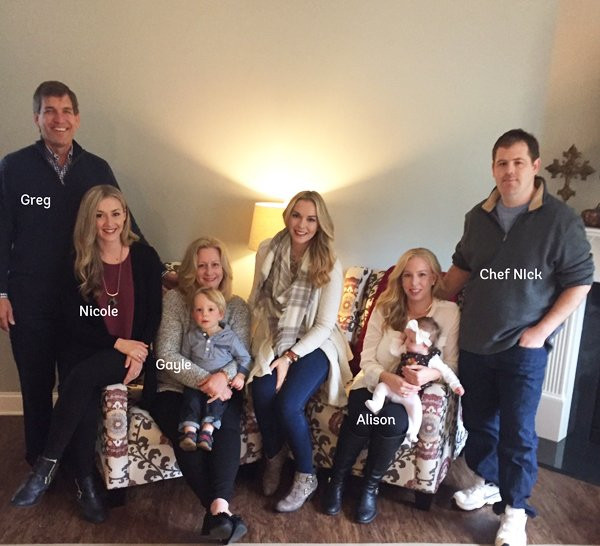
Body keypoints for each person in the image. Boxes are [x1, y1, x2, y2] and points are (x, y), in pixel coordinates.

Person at [0, 81, 169, 466]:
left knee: (76, 382)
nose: (58, 119)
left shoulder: (96, 168)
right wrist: (1, 293)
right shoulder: (13, 167)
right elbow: (2, 231)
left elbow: (125, 222)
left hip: (82, 298)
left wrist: (158, 273)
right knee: (36, 383)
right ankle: (39, 461)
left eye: (66, 111)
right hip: (30, 298)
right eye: (49, 111)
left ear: (77, 118)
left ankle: (75, 466)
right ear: (37, 118)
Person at [444, 129, 594, 546]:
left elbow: (580, 282)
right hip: (475, 342)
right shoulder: (477, 217)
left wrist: (540, 332)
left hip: (524, 349)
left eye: (518, 162)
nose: (509, 171)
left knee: (518, 433)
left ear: (535, 165)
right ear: (493, 168)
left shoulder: (560, 220)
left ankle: (515, 511)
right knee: (478, 424)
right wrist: (418, 290)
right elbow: (460, 269)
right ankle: (490, 482)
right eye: (502, 163)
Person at [10, 185, 163, 523]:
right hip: (88, 348)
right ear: (88, 219)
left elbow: (153, 313)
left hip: (131, 354)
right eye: (99, 215)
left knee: (79, 379)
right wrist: (117, 343)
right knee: (83, 384)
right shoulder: (77, 261)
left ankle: (46, 468)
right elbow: (72, 323)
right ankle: (84, 483)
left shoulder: (145, 258)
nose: (109, 223)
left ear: (125, 216)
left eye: (115, 214)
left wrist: (139, 351)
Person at [323, 248, 460, 523]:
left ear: (434, 278)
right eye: (407, 275)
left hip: (409, 392)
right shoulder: (386, 307)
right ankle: (336, 481)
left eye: (422, 275)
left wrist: (428, 375)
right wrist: (387, 378)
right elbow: (367, 359)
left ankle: (369, 488)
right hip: (374, 382)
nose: (414, 283)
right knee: (364, 416)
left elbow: (452, 365)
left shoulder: (448, 312)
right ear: (400, 278)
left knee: (392, 422)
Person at [248, 190, 352, 513]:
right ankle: (274, 456)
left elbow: (324, 325)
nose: (302, 225)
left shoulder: (329, 262)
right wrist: (258, 350)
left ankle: (307, 476)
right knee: (261, 390)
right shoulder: (267, 250)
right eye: (296, 215)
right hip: (276, 336)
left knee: (288, 403)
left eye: (311, 219)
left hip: (316, 343)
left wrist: (289, 357)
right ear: (287, 216)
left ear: (320, 224)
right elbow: (256, 300)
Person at [152, 237, 249, 544]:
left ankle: (218, 512)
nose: (209, 272)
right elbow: (166, 355)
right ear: (190, 269)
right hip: (174, 386)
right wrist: (208, 380)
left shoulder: (237, 307)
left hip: (222, 389)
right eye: (201, 265)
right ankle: (221, 513)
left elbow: (243, 356)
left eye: (215, 265)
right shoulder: (175, 301)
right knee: (187, 434)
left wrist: (223, 379)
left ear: (224, 269)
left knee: (227, 427)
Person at [365, 316, 464, 443]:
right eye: (407, 339)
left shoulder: (432, 359)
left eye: (411, 340)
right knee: (381, 387)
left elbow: (447, 372)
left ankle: (412, 432)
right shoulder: (405, 349)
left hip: (411, 394)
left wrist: (456, 385)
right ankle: (377, 404)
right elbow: (393, 350)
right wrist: (402, 337)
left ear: (425, 345)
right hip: (393, 386)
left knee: (416, 410)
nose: (406, 342)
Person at [178, 287, 251, 452]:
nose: (204, 314)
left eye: (211, 309)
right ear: (193, 314)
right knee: (191, 401)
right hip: (197, 383)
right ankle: (189, 434)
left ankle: (206, 433)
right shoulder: (191, 336)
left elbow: (245, 358)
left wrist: (240, 376)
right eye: (199, 310)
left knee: (216, 403)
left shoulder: (230, 337)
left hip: (221, 386)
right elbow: (184, 360)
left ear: (221, 314)